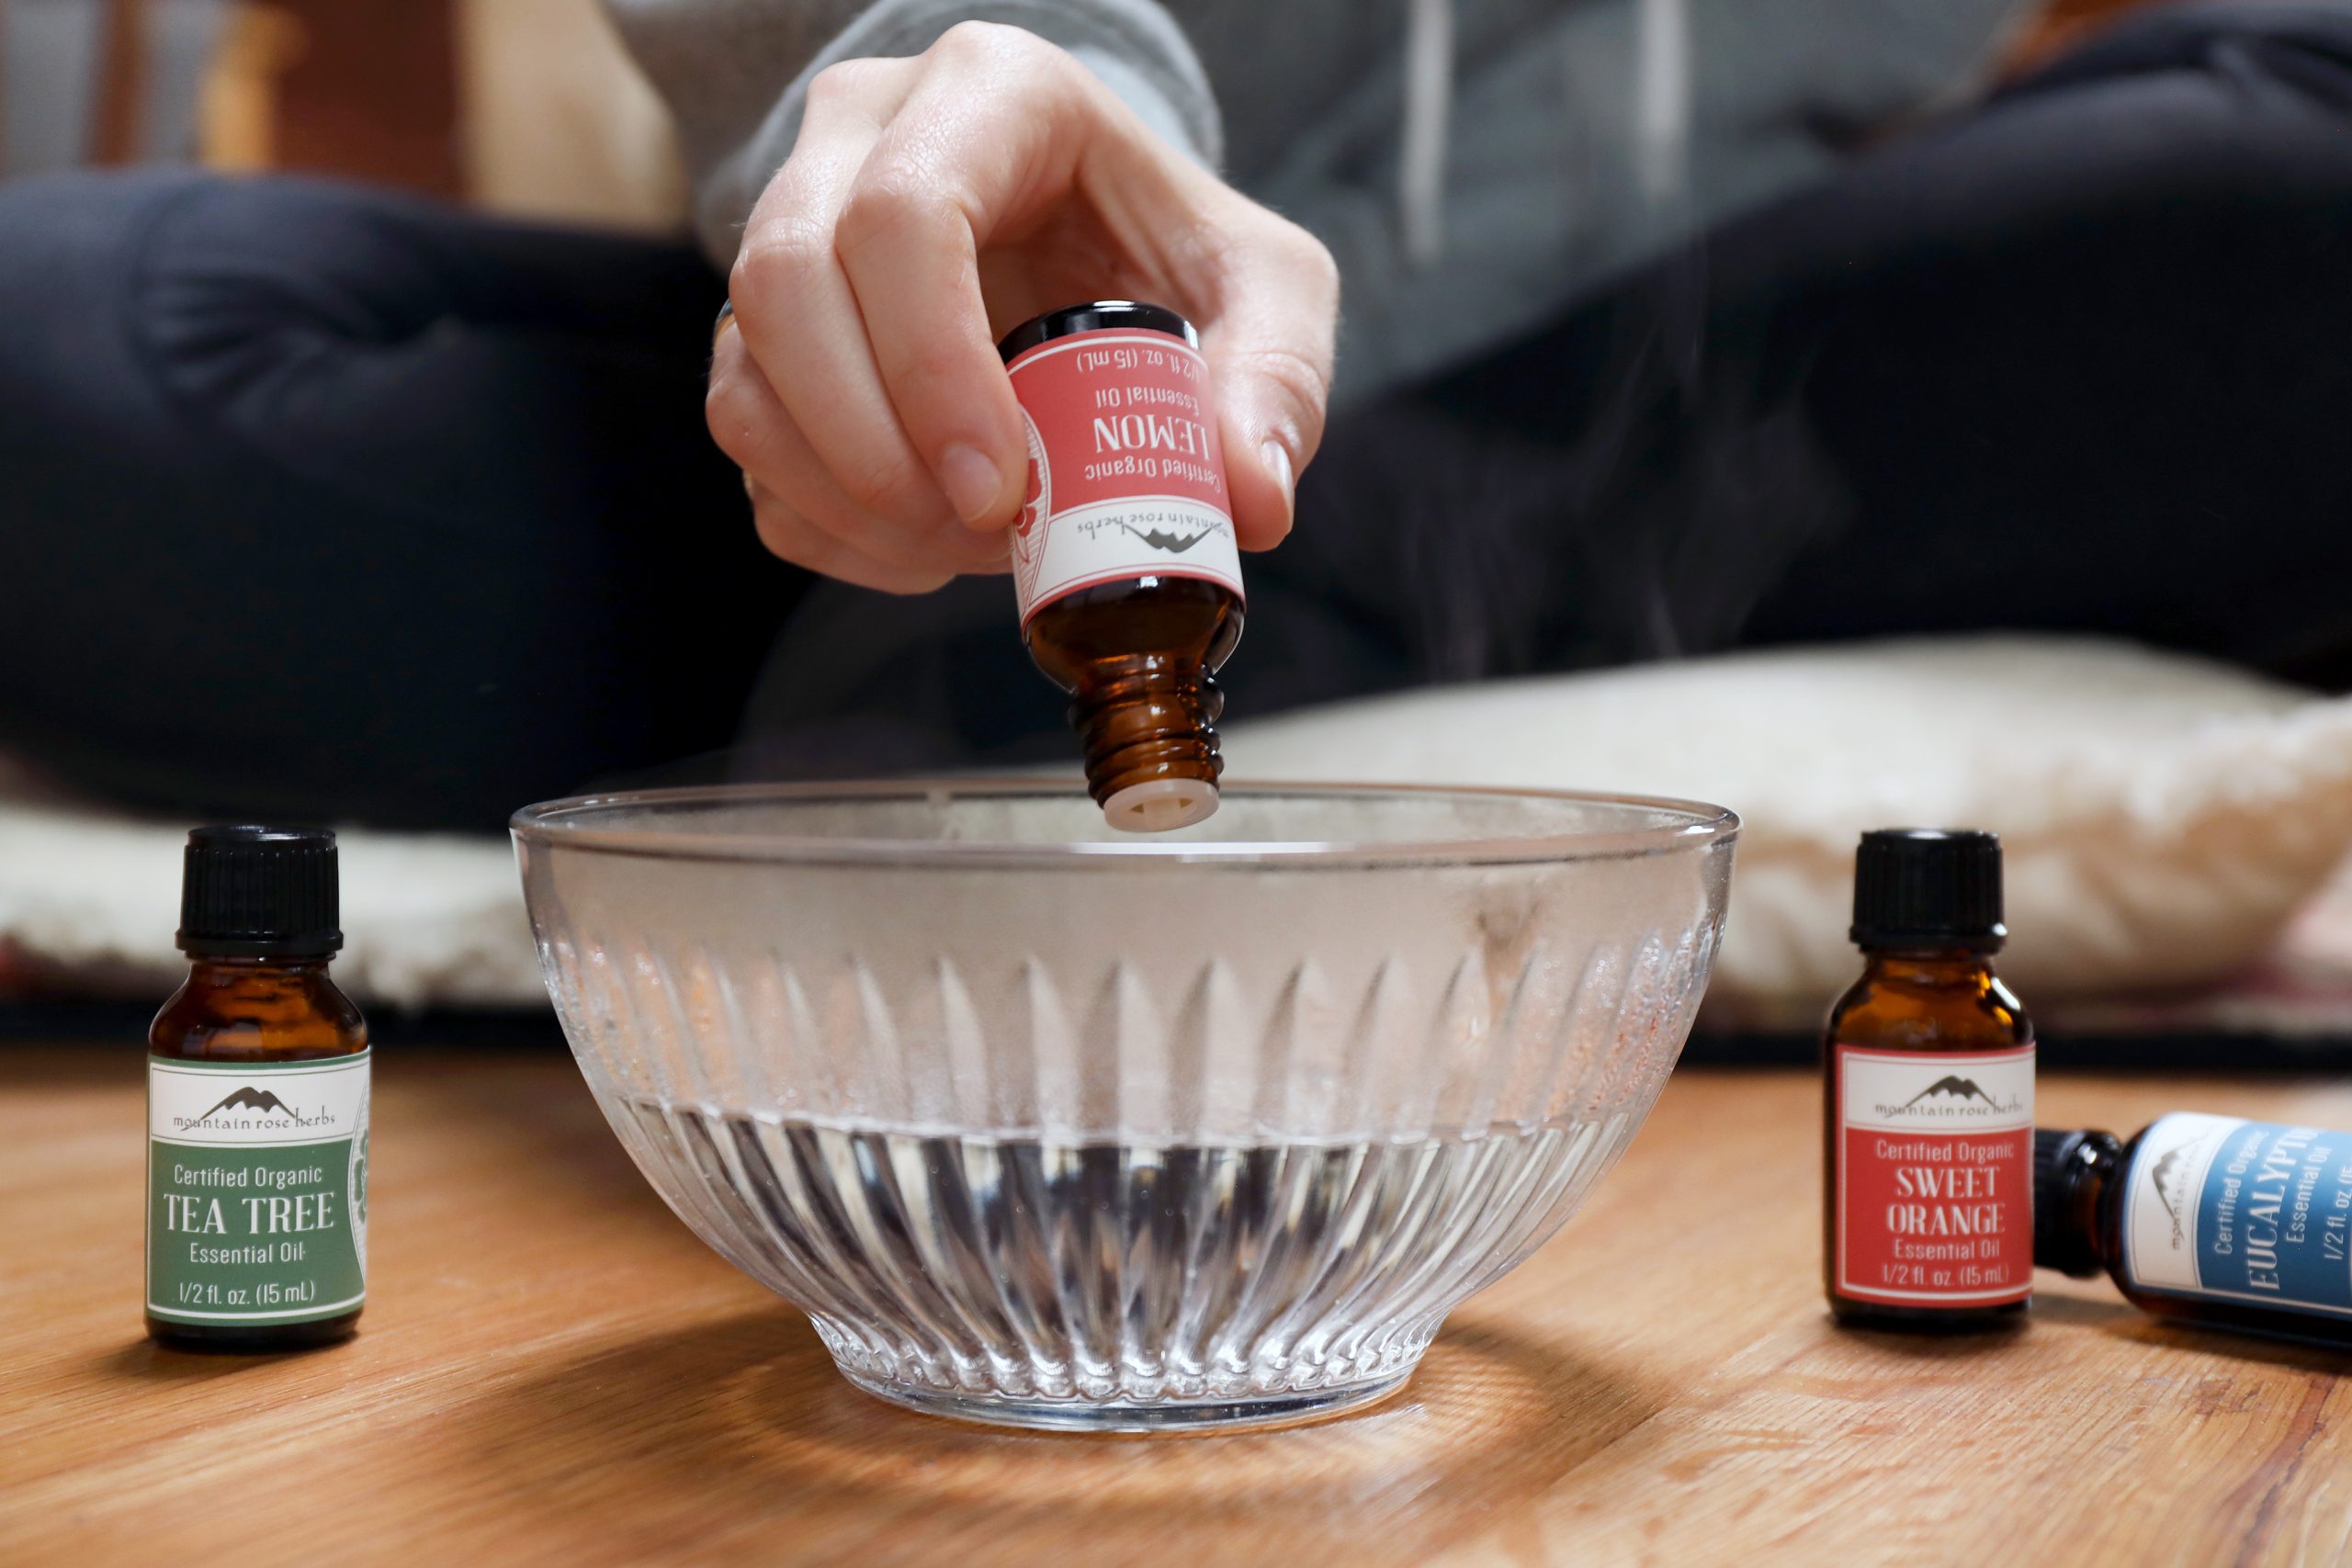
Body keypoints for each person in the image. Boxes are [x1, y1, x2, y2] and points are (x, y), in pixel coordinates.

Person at [5, 0, 2352, 831]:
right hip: (933, 315)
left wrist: (1242, 372)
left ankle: (1027, 645)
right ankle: (975, 604)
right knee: (59, 341)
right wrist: (979, 124)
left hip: (1643, 339)